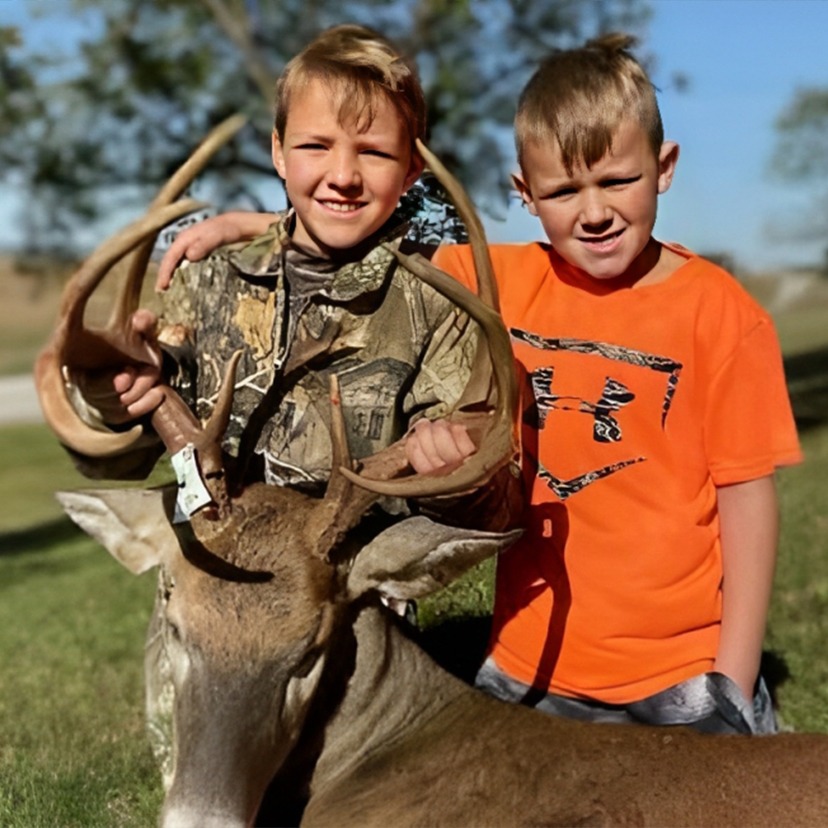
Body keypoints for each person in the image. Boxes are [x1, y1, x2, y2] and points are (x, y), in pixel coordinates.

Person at [163, 33, 802, 736]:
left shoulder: (722, 313)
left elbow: (747, 501)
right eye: (563, 191)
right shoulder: (500, 282)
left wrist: (733, 683)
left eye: (617, 181)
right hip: (526, 667)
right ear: (525, 194)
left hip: (681, 669)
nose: (593, 213)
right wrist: (246, 227)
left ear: (664, 166)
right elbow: (362, 238)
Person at [67, 24, 523, 788]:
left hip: (339, 634)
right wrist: (114, 396)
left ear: (412, 169)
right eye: (315, 148)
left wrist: (459, 469)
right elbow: (133, 434)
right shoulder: (209, 279)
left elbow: (484, 479)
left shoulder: (432, 307)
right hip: (204, 613)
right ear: (278, 153)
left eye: (373, 153)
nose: (342, 175)